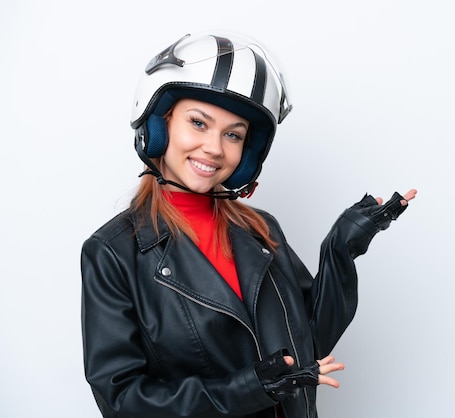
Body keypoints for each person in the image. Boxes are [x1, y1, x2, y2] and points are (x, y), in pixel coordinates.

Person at [80, 30, 417, 418]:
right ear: (161, 126)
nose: (215, 148)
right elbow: (122, 402)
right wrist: (250, 388)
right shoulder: (112, 252)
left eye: (233, 135)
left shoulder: (261, 229)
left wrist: (342, 247)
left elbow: (308, 344)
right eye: (199, 123)